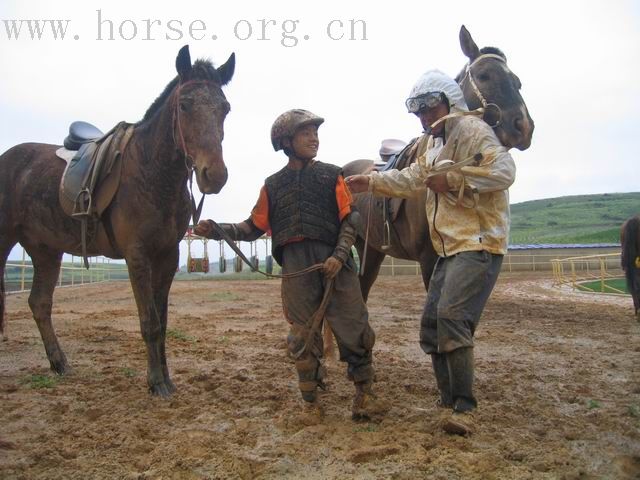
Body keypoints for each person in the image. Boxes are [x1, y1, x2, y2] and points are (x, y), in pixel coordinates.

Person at [346, 70, 516, 435]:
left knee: (452, 317)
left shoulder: (473, 132)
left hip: (478, 242)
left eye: (430, 109)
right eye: (419, 113)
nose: (425, 118)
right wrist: (371, 182)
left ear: (449, 102)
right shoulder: (433, 144)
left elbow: (504, 170)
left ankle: (464, 408)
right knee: (430, 326)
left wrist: (454, 179)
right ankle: (447, 401)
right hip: (450, 247)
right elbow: (410, 178)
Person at [194, 109, 386, 421]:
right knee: (302, 336)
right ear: (286, 141)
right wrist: (217, 229)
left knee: (354, 326)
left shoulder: (332, 175)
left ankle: (365, 396)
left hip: (335, 265)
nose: (314, 139)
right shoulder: (272, 186)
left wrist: (339, 256)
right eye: (305, 133)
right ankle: (310, 404)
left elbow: (351, 219)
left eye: (316, 133)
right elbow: (251, 227)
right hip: (298, 270)